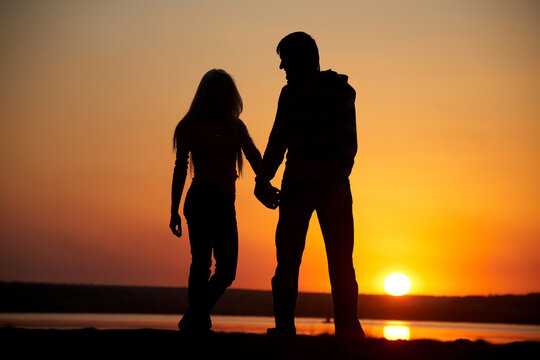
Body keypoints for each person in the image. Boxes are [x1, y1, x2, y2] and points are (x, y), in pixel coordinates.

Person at [255, 32, 365, 338]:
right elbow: (278, 141)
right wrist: (263, 178)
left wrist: (335, 187)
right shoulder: (289, 95)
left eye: (284, 60)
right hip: (299, 186)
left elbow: (347, 145)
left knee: (339, 261)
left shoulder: (340, 92)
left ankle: (348, 330)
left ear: (301, 58)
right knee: (288, 261)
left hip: (330, 187)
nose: (282, 68)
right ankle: (285, 329)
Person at [170, 69, 269, 335]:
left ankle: (194, 316)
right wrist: (173, 210)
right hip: (200, 198)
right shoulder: (190, 125)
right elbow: (180, 168)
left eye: (226, 90)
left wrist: (266, 181)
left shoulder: (235, 127)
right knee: (201, 264)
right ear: (206, 93)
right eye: (216, 89)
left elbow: (253, 156)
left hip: (226, 203)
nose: (221, 95)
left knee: (227, 270)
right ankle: (198, 324)